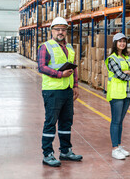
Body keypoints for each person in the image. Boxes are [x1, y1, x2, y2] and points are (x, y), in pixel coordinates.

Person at [38, 17, 82, 167]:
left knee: (66, 122)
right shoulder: (46, 46)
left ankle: (65, 151)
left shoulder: (69, 47)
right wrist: (59, 74)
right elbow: (42, 67)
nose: (61, 32)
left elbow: (73, 68)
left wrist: (75, 85)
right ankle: (47, 154)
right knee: (51, 122)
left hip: (67, 90)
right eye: (57, 29)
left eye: (63, 29)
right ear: (52, 31)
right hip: (52, 91)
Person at [105, 33, 130, 160]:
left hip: (126, 93)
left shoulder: (127, 58)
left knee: (120, 122)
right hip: (116, 94)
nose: (122, 43)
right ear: (115, 43)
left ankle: (119, 146)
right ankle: (114, 148)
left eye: (124, 41)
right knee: (115, 121)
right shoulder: (112, 59)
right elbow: (120, 75)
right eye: (119, 41)